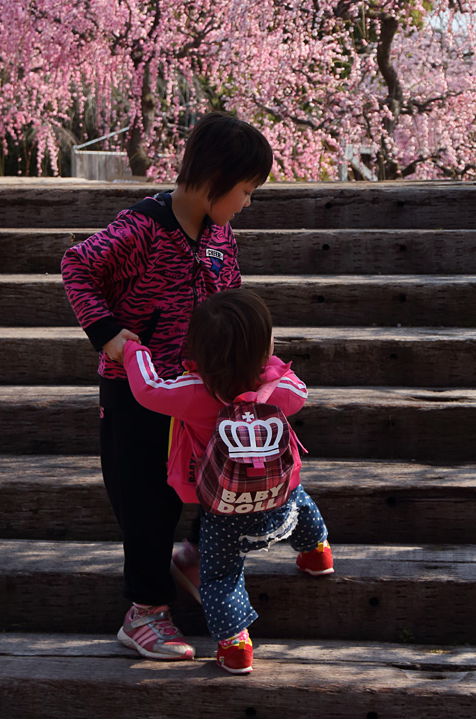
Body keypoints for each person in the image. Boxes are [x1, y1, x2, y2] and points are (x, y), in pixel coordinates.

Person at [61, 111, 273, 661]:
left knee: (224, 477)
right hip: (138, 392)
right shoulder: (142, 228)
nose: (247, 202)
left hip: (203, 391)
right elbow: (77, 266)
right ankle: (145, 611)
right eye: (246, 190)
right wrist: (107, 333)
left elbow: (229, 298)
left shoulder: (221, 233)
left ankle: (195, 557)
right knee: (146, 500)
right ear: (214, 180)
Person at [122, 288, 334, 674]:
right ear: (264, 348)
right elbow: (301, 391)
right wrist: (268, 368)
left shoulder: (192, 393)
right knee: (300, 498)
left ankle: (236, 645)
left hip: (225, 512)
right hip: (279, 498)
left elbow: (148, 389)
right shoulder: (280, 391)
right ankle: (316, 553)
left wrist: (135, 352)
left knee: (220, 577)